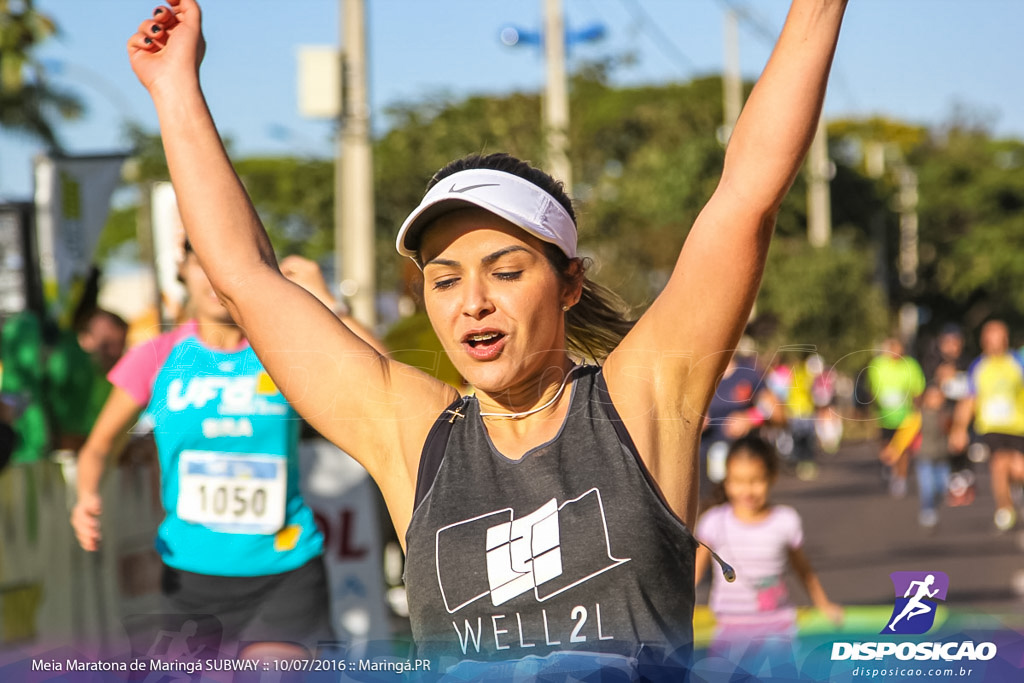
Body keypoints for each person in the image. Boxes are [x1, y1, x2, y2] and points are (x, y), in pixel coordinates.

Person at [127, 0, 848, 675]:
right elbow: (247, 280)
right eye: (443, 281)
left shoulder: (642, 399)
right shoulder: (414, 439)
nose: (472, 303)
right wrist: (174, 88)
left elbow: (748, 192)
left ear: (568, 283)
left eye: (505, 271)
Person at [70, 241, 334, 659]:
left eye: (228, 265)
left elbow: (384, 386)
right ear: (184, 268)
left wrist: (328, 308)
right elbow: (99, 445)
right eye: (204, 264)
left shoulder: (284, 351)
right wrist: (86, 495)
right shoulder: (155, 356)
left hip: (284, 568)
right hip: (190, 575)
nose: (215, 279)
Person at [694, 436, 842, 667]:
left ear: (772, 477)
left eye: (756, 480)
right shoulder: (714, 522)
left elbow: (803, 569)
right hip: (729, 629)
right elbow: (693, 573)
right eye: (738, 481)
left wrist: (824, 605)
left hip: (778, 628)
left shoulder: (785, 521)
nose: (748, 490)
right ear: (727, 481)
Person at [950, 319, 1024, 532]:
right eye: (990, 337)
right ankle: (1005, 508)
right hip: (991, 427)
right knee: (999, 462)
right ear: (984, 340)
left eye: (999, 337)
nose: (995, 342)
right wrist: (959, 429)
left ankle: (1015, 490)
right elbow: (969, 400)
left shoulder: (1017, 363)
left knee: (1019, 469)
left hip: (1018, 426)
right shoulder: (978, 367)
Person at [866, 337, 926, 497]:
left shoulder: (910, 365)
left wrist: (917, 409)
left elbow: (918, 388)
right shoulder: (877, 365)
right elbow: (872, 388)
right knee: (886, 446)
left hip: (905, 416)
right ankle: (889, 468)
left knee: (903, 448)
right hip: (884, 416)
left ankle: (900, 478)